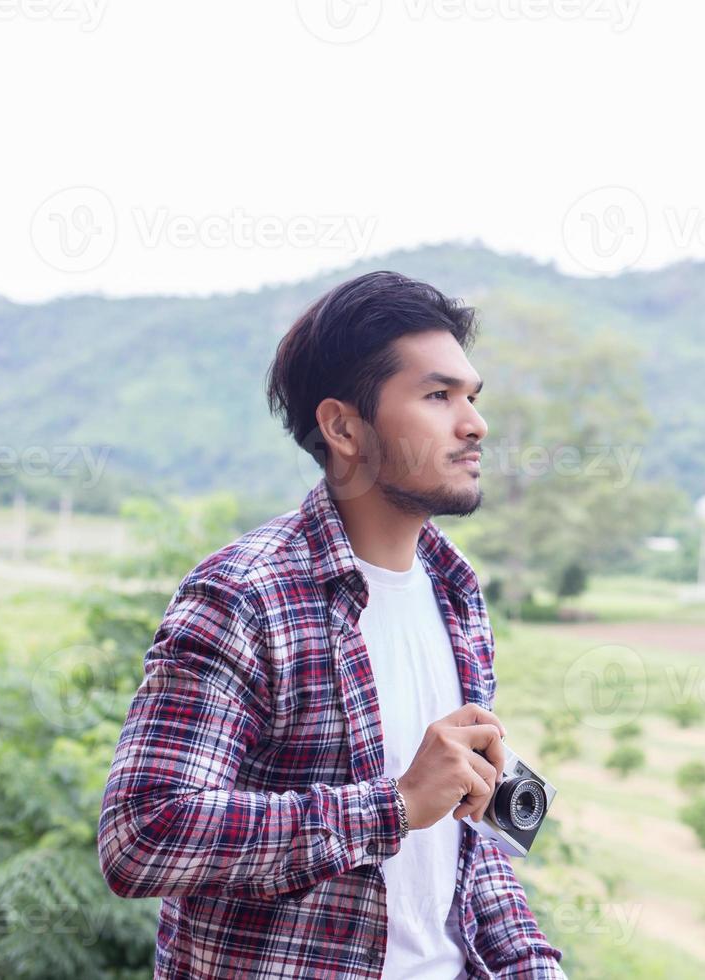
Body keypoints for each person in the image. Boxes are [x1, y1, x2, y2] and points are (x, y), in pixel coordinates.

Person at [97, 270, 567, 979]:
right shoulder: (245, 595)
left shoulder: (457, 591)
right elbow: (143, 835)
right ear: (343, 426)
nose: (475, 423)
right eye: (437, 396)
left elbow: (466, 849)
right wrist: (395, 805)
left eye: (470, 397)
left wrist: (536, 967)